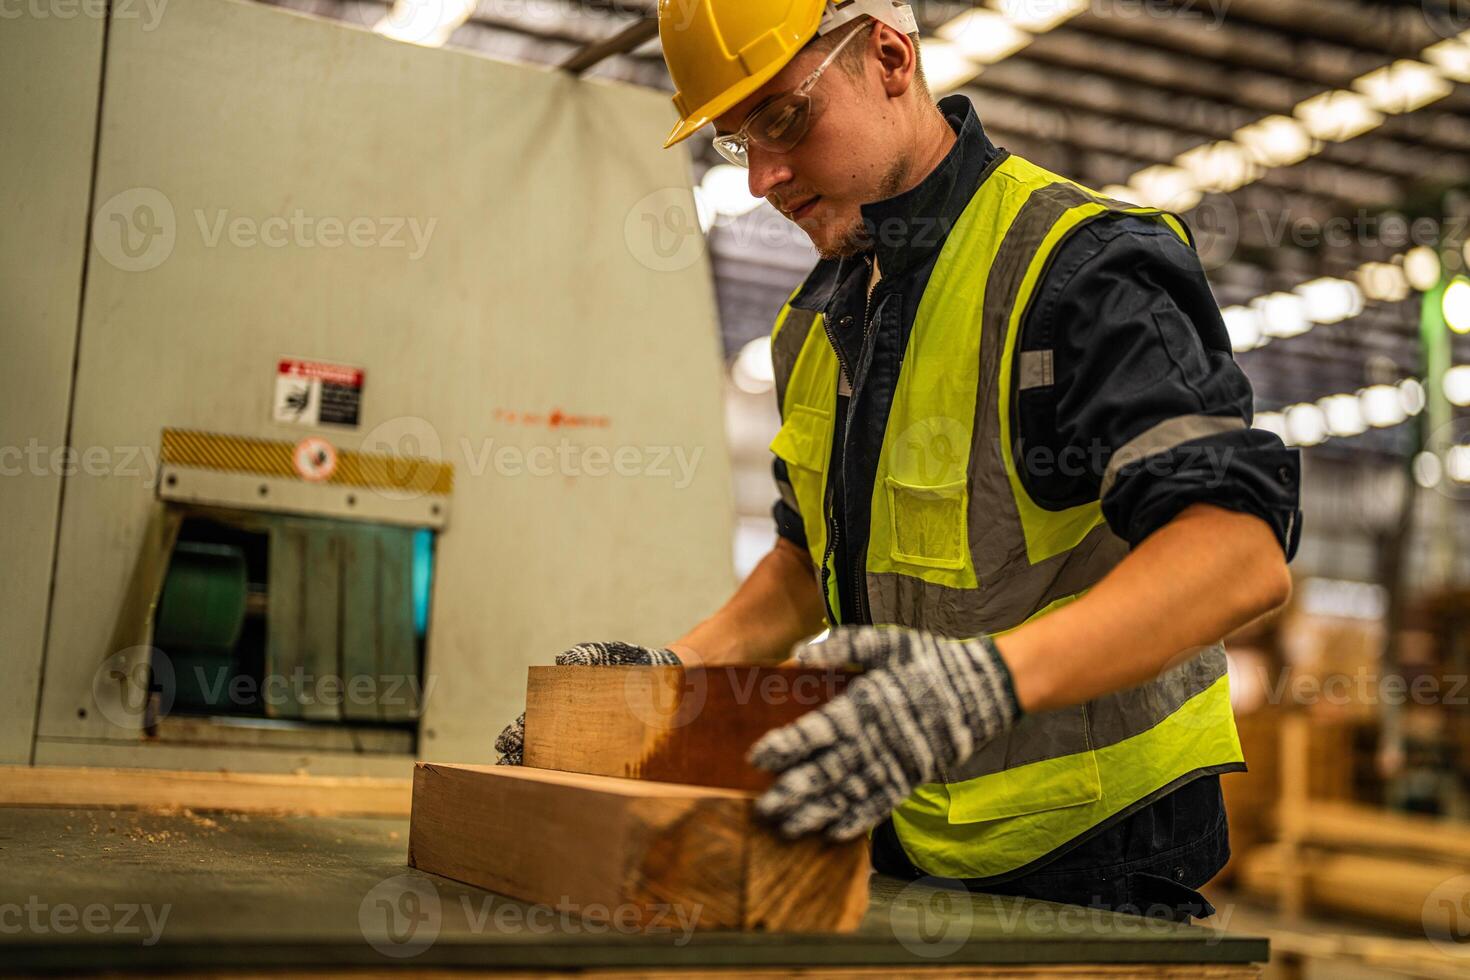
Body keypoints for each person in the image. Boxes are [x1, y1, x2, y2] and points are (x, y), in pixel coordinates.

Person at [498, 0, 1301, 921]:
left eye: (784, 118)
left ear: (888, 56)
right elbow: (806, 566)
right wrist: (664, 673)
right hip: (897, 837)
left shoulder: (1079, 269)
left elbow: (1236, 552)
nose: (763, 177)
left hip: (1095, 867)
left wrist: (986, 683)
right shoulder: (814, 322)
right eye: (735, 142)